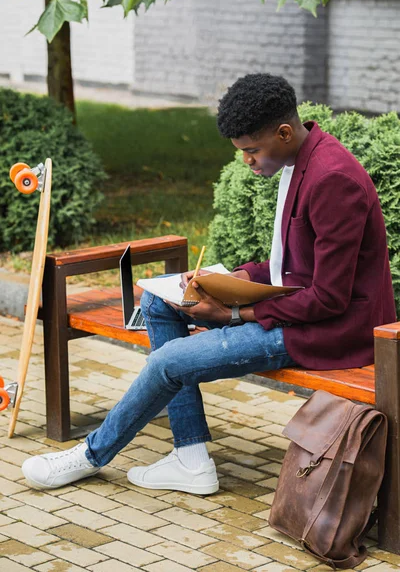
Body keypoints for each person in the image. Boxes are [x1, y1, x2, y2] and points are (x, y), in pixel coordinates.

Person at [22, 73, 396, 491]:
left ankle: (91, 455)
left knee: (169, 362)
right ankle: (191, 456)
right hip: (303, 312)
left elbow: (328, 298)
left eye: (252, 150)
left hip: (331, 333)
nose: (247, 161)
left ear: (285, 132)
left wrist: (235, 312)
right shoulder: (300, 160)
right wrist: (230, 278)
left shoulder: (332, 179)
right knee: (158, 301)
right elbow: (295, 266)